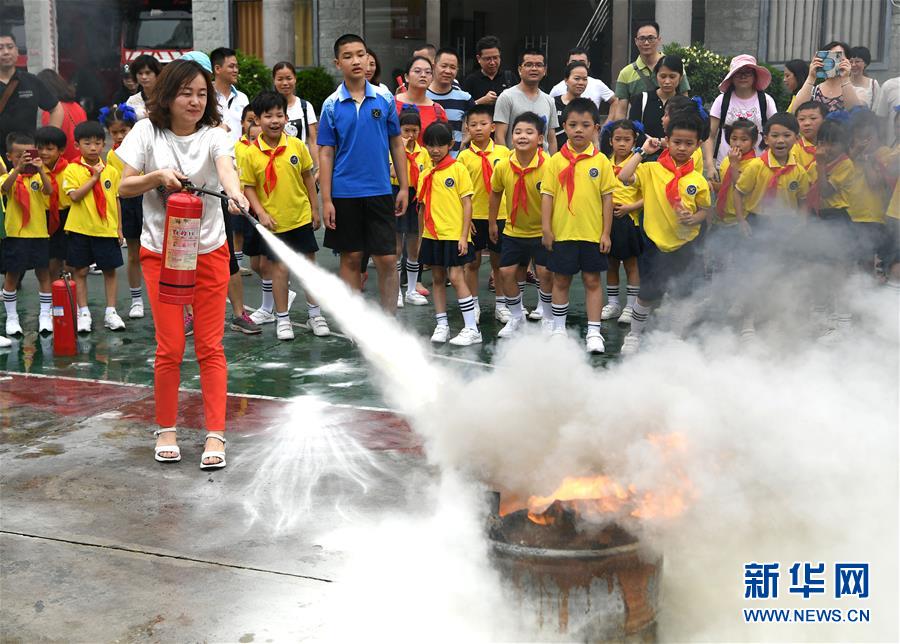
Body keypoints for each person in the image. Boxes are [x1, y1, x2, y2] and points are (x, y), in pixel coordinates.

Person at [116, 59, 250, 468]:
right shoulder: (145, 131)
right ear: (168, 95)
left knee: (210, 346)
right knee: (170, 346)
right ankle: (167, 428)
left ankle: (216, 435)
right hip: (162, 254)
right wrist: (157, 177)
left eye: (202, 93)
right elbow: (123, 186)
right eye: (186, 92)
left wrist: (236, 195)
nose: (195, 101)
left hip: (209, 251)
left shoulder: (215, 134)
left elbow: (225, 168)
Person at [318, 34, 409, 312]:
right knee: (351, 258)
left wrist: (403, 187)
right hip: (345, 193)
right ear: (337, 63)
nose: (356, 60)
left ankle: (389, 321)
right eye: (348, 56)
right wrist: (326, 200)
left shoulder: (384, 98)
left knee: (387, 259)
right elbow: (325, 153)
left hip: (380, 190)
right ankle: (355, 323)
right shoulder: (331, 105)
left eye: (361, 54)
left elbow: (396, 142)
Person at [616, 111, 711, 355]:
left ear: (698, 145)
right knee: (646, 294)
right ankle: (634, 336)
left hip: (684, 245)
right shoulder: (651, 170)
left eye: (689, 143)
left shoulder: (697, 180)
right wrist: (642, 151)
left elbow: (705, 212)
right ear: (667, 141)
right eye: (677, 142)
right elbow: (624, 176)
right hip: (654, 245)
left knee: (682, 294)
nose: (682, 148)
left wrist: (693, 218)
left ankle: (676, 338)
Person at [239, 91, 330, 341]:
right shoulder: (250, 153)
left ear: (286, 117)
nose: (275, 120)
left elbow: (308, 177)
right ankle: (282, 318)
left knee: (308, 267)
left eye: (279, 115)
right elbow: (248, 187)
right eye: (268, 116)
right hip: (274, 223)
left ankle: (315, 315)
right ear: (257, 120)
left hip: (299, 216)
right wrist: (261, 213)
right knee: (279, 270)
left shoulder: (297, 146)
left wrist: (315, 208)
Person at [540, 98, 616, 353]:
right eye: (572, 125)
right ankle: (559, 329)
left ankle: (594, 332)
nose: (578, 130)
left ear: (596, 128)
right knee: (560, 280)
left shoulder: (602, 162)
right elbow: (547, 196)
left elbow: (608, 199)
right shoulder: (554, 162)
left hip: (592, 234)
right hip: (563, 233)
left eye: (585, 125)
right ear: (564, 126)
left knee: (593, 281)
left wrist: (606, 232)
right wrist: (547, 229)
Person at [416, 122, 479, 346]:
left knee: (455, 277)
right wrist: (421, 235)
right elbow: (422, 208)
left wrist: (464, 236)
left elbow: (467, 203)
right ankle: (442, 324)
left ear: (450, 144)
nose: (435, 150)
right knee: (437, 279)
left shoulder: (458, 169)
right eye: (430, 145)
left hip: (454, 235)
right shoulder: (425, 174)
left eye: (440, 145)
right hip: (432, 236)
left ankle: (472, 328)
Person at [490, 111, 552, 336]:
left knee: (545, 273)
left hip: (541, 230)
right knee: (506, 272)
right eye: (517, 132)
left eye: (529, 132)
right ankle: (516, 317)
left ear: (540, 138)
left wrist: (550, 230)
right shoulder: (503, 165)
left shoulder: (550, 166)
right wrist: (492, 222)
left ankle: (547, 315)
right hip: (513, 229)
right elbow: (495, 193)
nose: (522, 136)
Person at [60, 121, 125, 333]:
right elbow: (75, 196)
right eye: (87, 143)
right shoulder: (71, 170)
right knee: (80, 270)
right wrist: (94, 177)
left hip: (105, 229)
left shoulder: (112, 171)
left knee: (110, 270)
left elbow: (115, 200)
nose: (94, 147)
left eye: (98, 143)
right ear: (77, 145)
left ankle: (111, 312)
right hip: (80, 229)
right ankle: (84, 312)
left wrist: (119, 228)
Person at [457, 105, 511, 322]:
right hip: (474, 216)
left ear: (493, 127)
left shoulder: (504, 153)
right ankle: (474, 305)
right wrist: (464, 218)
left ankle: (501, 304)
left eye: (483, 124)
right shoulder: (463, 157)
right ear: (467, 128)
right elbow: (459, 192)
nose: (478, 129)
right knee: (472, 263)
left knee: (499, 263)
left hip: (500, 215)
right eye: (473, 125)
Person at [1, 132, 53, 337]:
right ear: (9, 156)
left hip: (39, 233)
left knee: (43, 274)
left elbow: (49, 191)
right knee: (12, 275)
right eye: (19, 155)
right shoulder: (8, 177)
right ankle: (12, 318)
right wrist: (18, 169)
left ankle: (44, 316)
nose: (25, 158)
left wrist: (40, 170)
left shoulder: (38, 178)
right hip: (15, 235)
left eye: (29, 154)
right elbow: (5, 188)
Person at [100, 104, 146, 320]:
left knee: (160, 252)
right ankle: (137, 300)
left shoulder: (144, 145)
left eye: (123, 131)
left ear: (133, 128)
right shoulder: (111, 156)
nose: (119, 136)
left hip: (149, 200)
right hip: (128, 203)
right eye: (114, 132)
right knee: (134, 253)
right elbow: (117, 190)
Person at [601, 119, 645, 325]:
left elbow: (650, 195)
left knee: (631, 264)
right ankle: (613, 303)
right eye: (617, 139)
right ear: (610, 141)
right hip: (607, 222)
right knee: (610, 263)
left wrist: (630, 207)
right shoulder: (603, 163)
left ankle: (630, 305)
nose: (621, 144)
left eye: (627, 140)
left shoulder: (640, 166)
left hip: (629, 221)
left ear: (634, 141)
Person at [0, 32, 63, 161]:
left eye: (10, 47)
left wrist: (48, 139)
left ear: (17, 51)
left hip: (27, 155)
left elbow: (56, 109)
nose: (6, 52)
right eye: (0, 48)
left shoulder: (31, 81)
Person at [610, 21, 690, 121]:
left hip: (673, 128)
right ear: (636, 41)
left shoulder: (675, 66)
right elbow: (621, 111)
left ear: (659, 40)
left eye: (651, 38)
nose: (646, 43)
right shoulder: (625, 73)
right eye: (642, 39)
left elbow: (685, 100)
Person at [708, 55, 777, 166]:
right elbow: (710, 136)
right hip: (725, 165)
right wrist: (710, 166)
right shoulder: (721, 100)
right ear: (732, 77)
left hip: (758, 166)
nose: (743, 76)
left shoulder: (766, 100)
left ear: (755, 76)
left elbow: (775, 131)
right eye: (738, 72)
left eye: (748, 72)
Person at [392, 108, 430, 307]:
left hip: (417, 197)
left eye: (414, 131)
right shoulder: (393, 149)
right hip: (396, 193)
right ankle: (396, 291)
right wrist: (403, 152)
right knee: (397, 245)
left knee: (414, 245)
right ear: (398, 130)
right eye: (406, 131)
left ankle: (412, 289)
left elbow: (428, 175)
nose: (410, 135)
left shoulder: (423, 153)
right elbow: (390, 171)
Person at [494, 48, 559, 154]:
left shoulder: (549, 100)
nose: (534, 68)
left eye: (539, 65)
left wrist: (552, 165)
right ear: (520, 70)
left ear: (545, 71)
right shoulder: (506, 97)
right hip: (515, 165)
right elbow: (499, 136)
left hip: (543, 166)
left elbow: (551, 139)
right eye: (528, 65)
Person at [35, 126, 71, 281]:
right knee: (49, 262)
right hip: (44, 217)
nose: (44, 153)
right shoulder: (33, 171)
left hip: (66, 216)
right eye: (40, 148)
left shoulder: (70, 169)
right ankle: (50, 297)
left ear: (61, 150)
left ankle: (68, 297)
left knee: (69, 261)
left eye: (49, 149)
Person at [272, 61, 320, 171]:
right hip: (277, 166)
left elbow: (313, 141)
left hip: (302, 166)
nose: (285, 83)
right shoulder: (268, 107)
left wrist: (317, 167)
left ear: (295, 79)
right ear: (274, 81)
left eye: (289, 78)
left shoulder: (305, 106)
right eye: (280, 79)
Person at [627, 55, 684, 143]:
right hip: (645, 155)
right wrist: (658, 142)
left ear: (680, 78)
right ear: (656, 76)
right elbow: (632, 131)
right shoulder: (642, 99)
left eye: (672, 77)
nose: (667, 81)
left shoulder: (684, 104)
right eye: (663, 76)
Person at [427, 48, 474, 156]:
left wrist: (463, 142)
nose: (448, 71)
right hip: (425, 165)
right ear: (434, 67)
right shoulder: (422, 96)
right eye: (443, 66)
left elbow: (477, 124)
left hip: (455, 164)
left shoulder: (465, 98)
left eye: (452, 67)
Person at [791, 41, 860, 114]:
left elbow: (856, 113)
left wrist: (845, 78)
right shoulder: (813, 91)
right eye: (829, 56)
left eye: (838, 56)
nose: (833, 61)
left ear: (847, 61)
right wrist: (811, 77)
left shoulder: (857, 91)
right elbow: (795, 111)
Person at [549, 48, 617, 118]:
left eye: (582, 62)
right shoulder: (557, 89)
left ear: (588, 64)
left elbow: (615, 100)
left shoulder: (597, 84)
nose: (581, 83)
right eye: (574, 62)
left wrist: (608, 124)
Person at [37, 69, 87, 162]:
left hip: (62, 165)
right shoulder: (78, 107)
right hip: (80, 163)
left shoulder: (51, 112)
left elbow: (49, 144)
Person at [395, 56, 448, 144]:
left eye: (428, 72)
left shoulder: (438, 110)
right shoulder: (390, 104)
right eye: (417, 71)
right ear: (406, 77)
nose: (423, 75)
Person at [554, 61, 598, 150]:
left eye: (585, 79)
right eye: (577, 78)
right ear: (566, 80)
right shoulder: (553, 103)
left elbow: (594, 138)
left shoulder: (588, 106)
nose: (581, 83)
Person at [210, 48, 250, 145]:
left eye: (237, 66)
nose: (235, 70)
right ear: (217, 69)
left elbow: (247, 130)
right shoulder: (206, 96)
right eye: (231, 66)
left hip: (238, 157)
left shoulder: (242, 98)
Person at [463, 35, 516, 106]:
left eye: (495, 58)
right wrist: (480, 102)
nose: (492, 62)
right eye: (488, 59)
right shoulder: (470, 80)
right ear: (478, 58)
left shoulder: (510, 77)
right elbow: (463, 109)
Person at [125, 54, 162, 120]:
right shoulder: (132, 101)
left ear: (157, 74)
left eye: (148, 73)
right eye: (140, 73)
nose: (144, 77)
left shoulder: (167, 97)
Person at [793, 100, 826, 172]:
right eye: (801, 119)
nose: (807, 123)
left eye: (813, 118)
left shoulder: (833, 147)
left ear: (825, 120)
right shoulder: (793, 149)